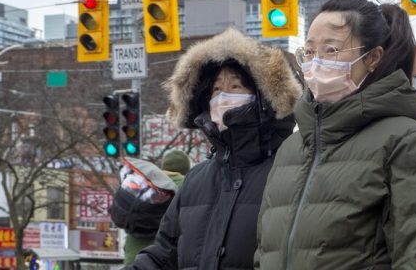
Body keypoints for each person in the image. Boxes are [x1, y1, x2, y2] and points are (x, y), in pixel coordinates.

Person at [255, 0, 416, 269]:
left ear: (373, 57)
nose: (317, 63)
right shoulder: (291, 148)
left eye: (332, 50)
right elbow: (265, 253)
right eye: (310, 52)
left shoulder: (407, 143)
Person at [127, 28, 302, 270]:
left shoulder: (291, 171)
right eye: (217, 89)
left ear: (263, 98)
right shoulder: (196, 180)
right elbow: (163, 255)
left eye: (235, 86)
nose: (223, 97)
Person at [114, 150, 191, 265]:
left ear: (164, 165)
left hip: (133, 257)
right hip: (159, 260)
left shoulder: (145, 183)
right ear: (186, 169)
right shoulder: (187, 187)